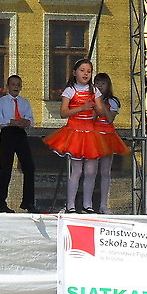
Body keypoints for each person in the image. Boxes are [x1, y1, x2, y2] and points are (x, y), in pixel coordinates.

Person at [44, 58, 108, 213]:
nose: (86, 74)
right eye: (82, 70)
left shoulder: (94, 91)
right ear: (74, 73)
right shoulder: (70, 90)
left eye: (89, 71)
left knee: (91, 171)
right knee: (77, 170)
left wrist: (96, 106)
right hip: (75, 132)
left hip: (90, 132)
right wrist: (81, 108)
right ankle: (70, 205)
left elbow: (101, 112)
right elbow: (63, 113)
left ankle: (88, 205)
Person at [0, 74, 36, 214]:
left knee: (29, 167)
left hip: (21, 134)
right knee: (5, 168)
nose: (16, 87)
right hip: (7, 133)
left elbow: (31, 120)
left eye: (18, 85)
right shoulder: (2, 101)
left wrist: (26, 122)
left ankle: (28, 202)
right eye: (13, 84)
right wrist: (12, 121)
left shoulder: (24, 102)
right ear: (8, 86)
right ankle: (1, 203)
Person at [92, 72, 130, 214]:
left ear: (108, 85)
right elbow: (91, 118)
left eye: (103, 83)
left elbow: (109, 119)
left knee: (105, 172)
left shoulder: (113, 101)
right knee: (90, 171)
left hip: (107, 136)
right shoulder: (90, 99)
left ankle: (103, 205)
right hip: (93, 136)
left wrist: (101, 103)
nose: (100, 86)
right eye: (97, 83)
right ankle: (87, 204)